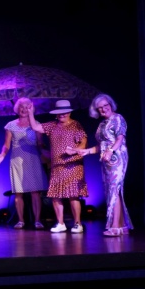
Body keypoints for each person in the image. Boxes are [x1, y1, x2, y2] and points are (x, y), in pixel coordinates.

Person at [76, 94, 133, 236]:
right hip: (106, 159)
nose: (103, 109)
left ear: (110, 104)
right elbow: (100, 146)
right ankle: (122, 226)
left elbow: (120, 139)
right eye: (99, 108)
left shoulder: (118, 118)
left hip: (117, 157)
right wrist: (86, 151)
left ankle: (115, 227)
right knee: (112, 190)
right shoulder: (102, 124)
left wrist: (111, 151)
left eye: (105, 105)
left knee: (114, 189)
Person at [28, 99, 88, 234]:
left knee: (73, 195)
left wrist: (75, 150)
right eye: (60, 112)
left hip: (72, 165)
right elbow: (36, 127)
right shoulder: (52, 125)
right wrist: (31, 113)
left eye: (65, 112)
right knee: (56, 195)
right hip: (57, 166)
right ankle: (60, 223)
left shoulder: (76, 125)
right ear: (56, 113)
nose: (62, 114)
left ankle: (77, 224)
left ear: (69, 112)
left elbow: (83, 143)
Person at [0, 97, 48, 230]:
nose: (23, 109)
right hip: (17, 160)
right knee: (18, 192)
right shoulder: (10, 125)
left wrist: (46, 152)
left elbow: (40, 143)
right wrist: (2, 155)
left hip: (33, 159)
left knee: (35, 192)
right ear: (17, 109)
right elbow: (6, 144)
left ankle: (37, 220)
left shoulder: (36, 124)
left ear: (31, 109)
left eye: (27, 107)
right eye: (21, 107)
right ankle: (21, 221)